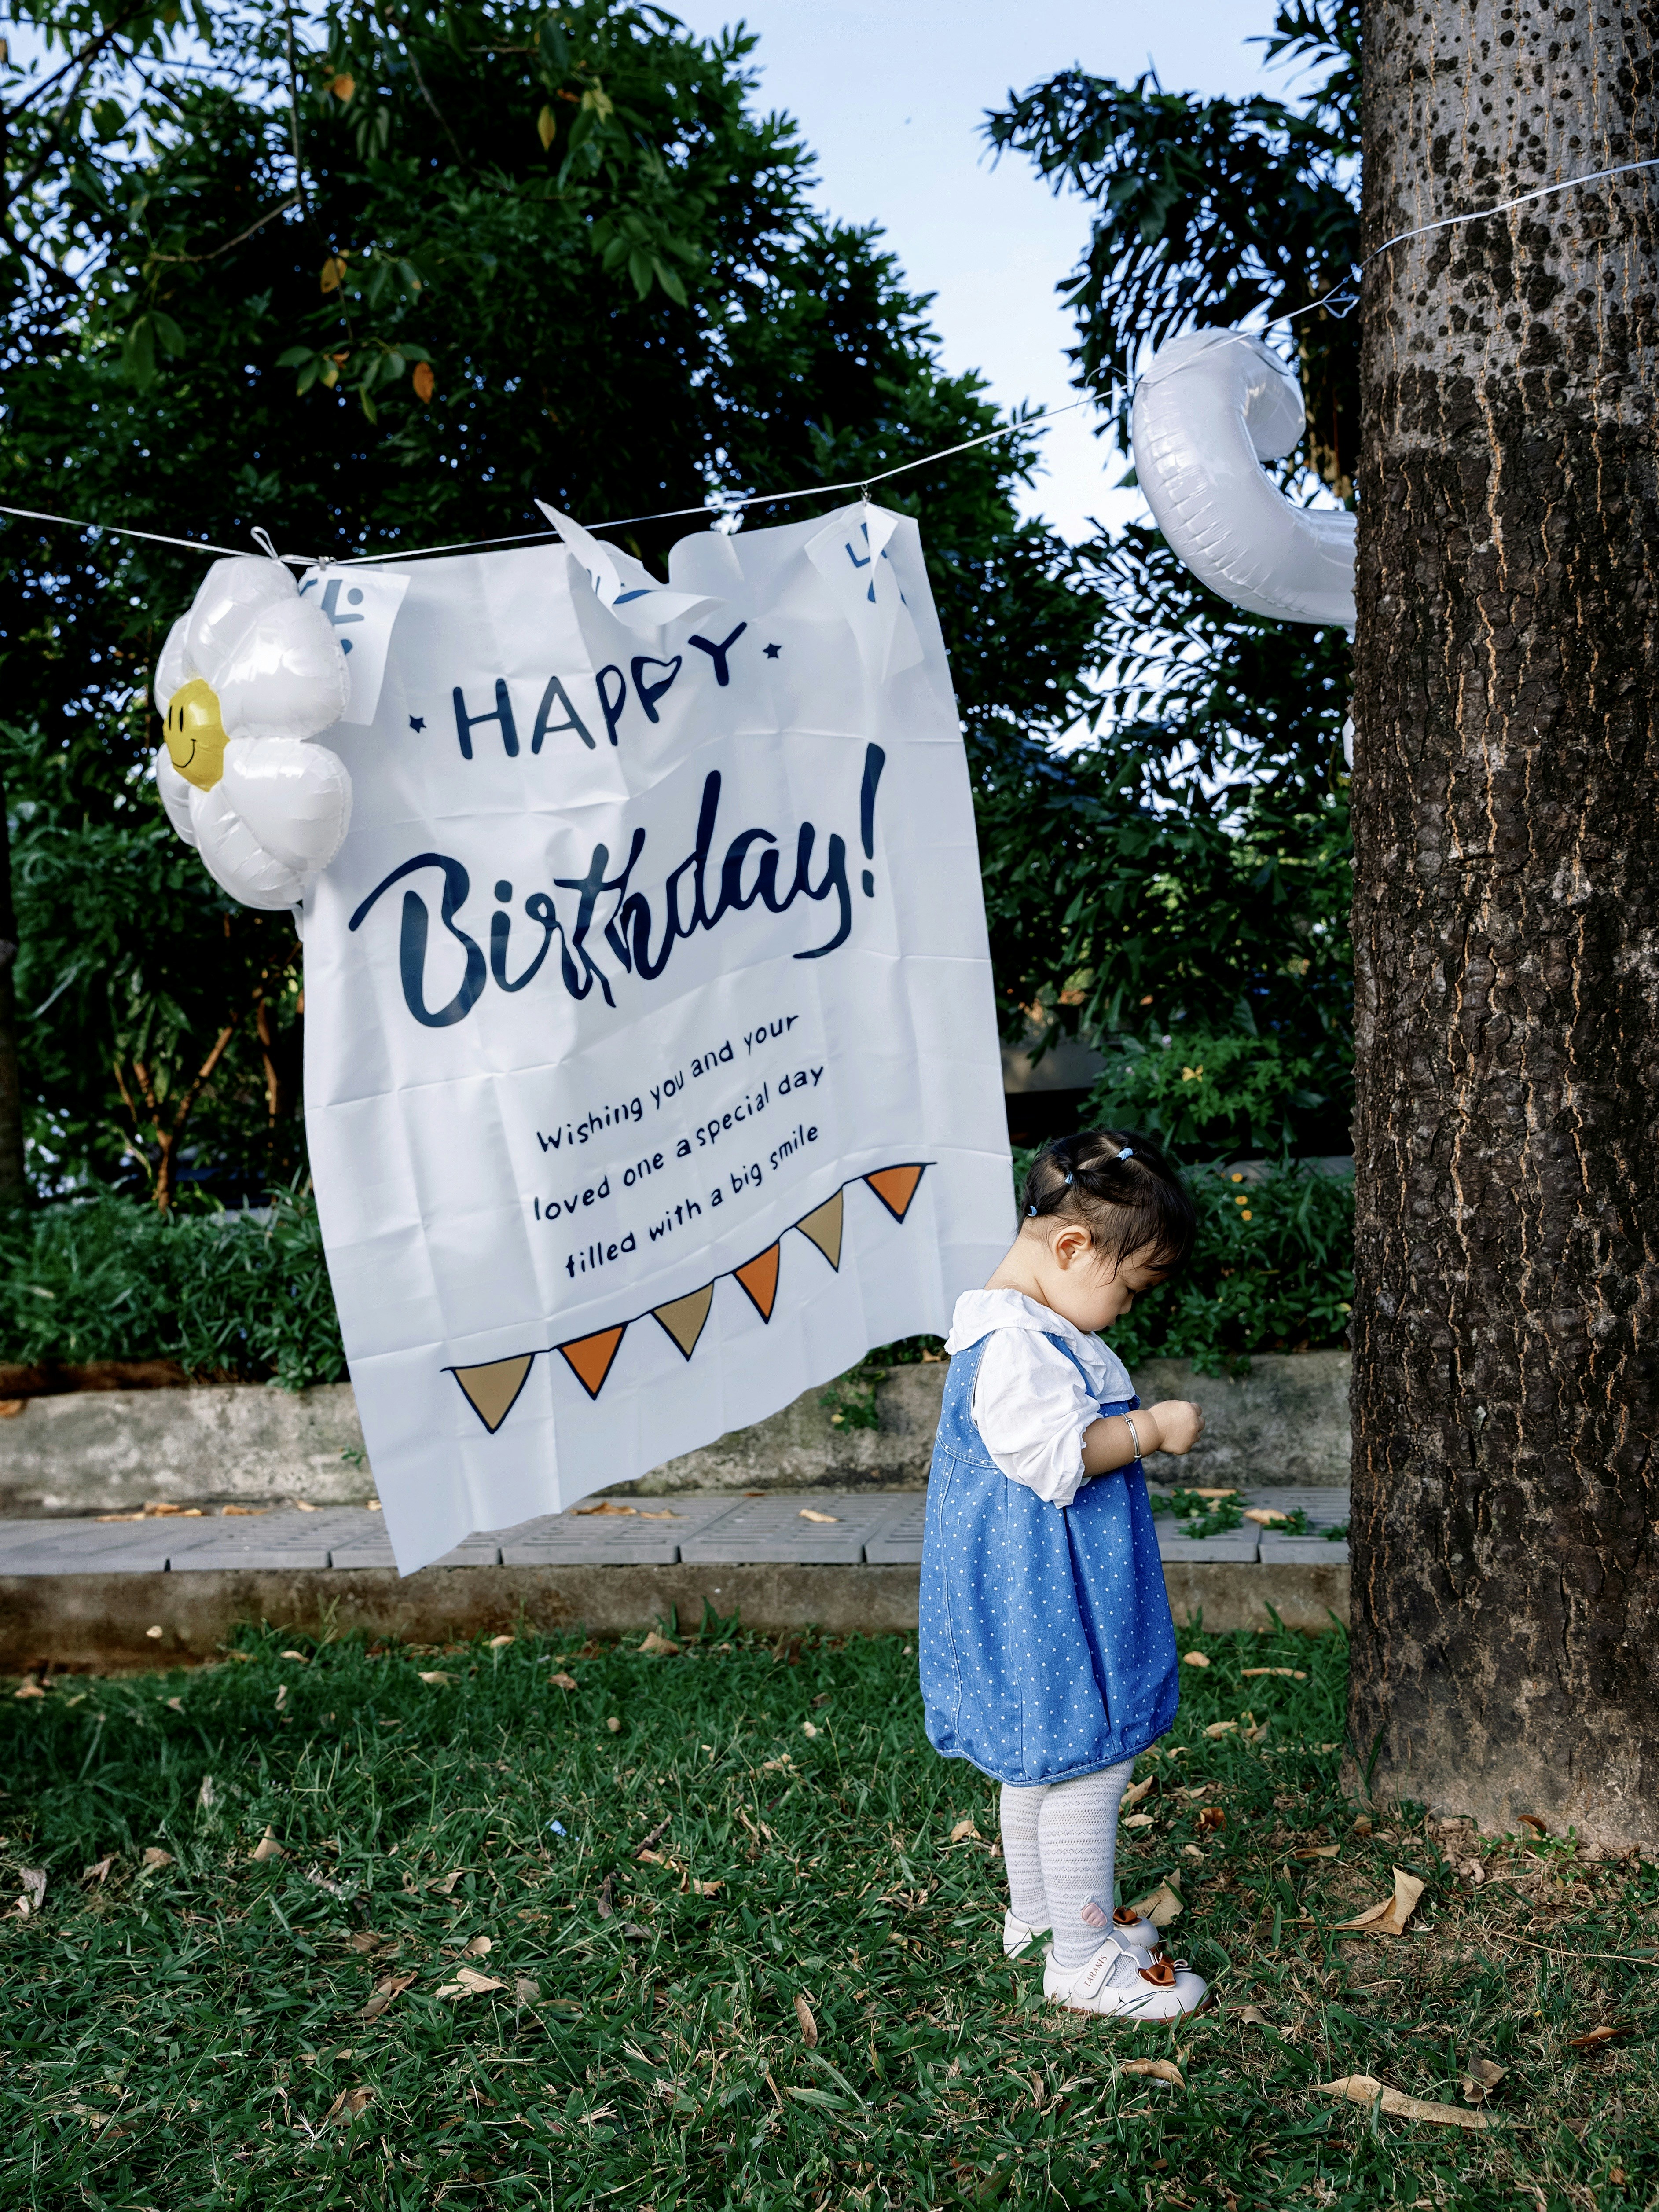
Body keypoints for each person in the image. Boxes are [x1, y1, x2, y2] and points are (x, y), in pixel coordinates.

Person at [919, 1129, 1209, 2019]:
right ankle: (1082, 1964)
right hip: (1049, 1600)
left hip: (1030, 1594)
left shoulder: (1022, 1328)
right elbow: (1059, 1458)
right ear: (1074, 1249)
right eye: (1129, 1287)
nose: (1127, 1308)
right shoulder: (1017, 1347)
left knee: (1039, 1762)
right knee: (1087, 1763)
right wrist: (1151, 1430)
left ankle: (1040, 1921)